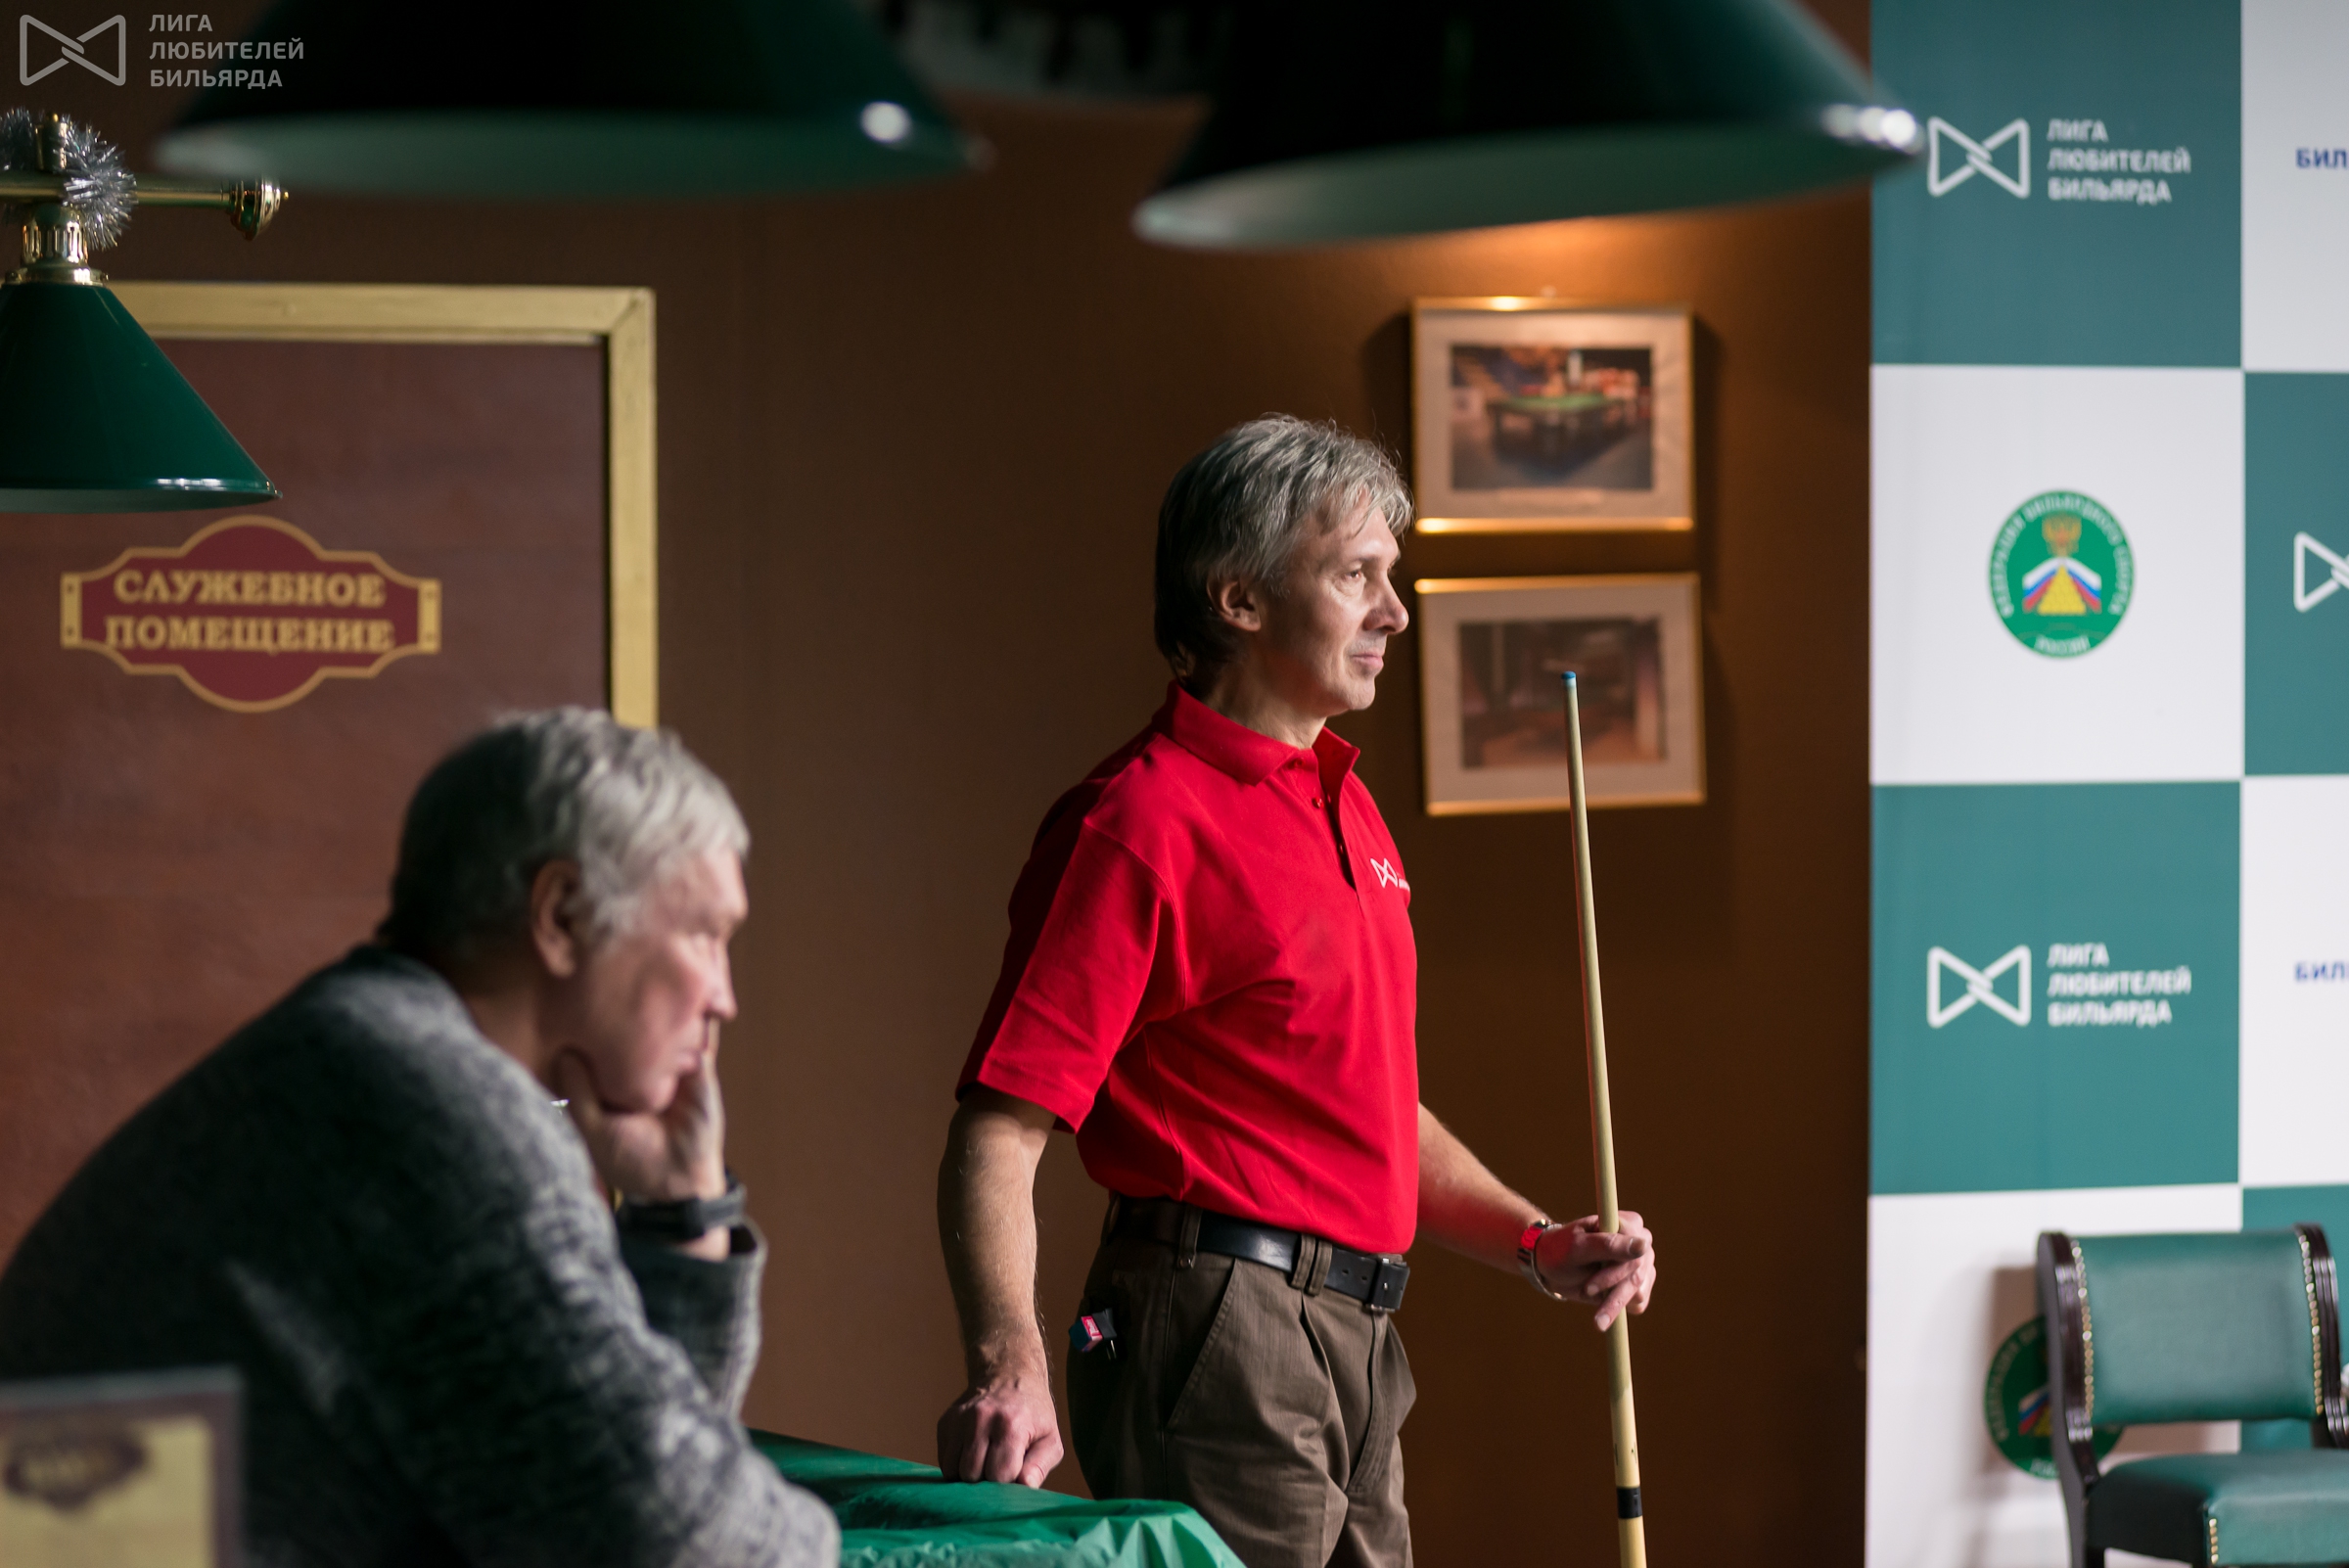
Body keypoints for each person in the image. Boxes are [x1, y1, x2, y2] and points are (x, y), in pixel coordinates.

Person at [932, 416, 1659, 1568]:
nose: (1395, 613)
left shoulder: (1348, 805)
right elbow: (1000, 1127)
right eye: (1356, 575)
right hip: (1219, 1320)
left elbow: (1370, 1106)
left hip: (1359, 1330)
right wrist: (1009, 1361)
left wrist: (1533, 1241)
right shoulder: (1136, 822)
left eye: (1393, 577)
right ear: (1240, 600)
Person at [0, 710, 838, 1568]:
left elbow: (629, 1467)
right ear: (560, 915)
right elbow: (672, 1539)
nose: (724, 998)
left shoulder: (375, 1048)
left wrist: (682, 1210)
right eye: (704, 935)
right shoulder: (427, 1110)